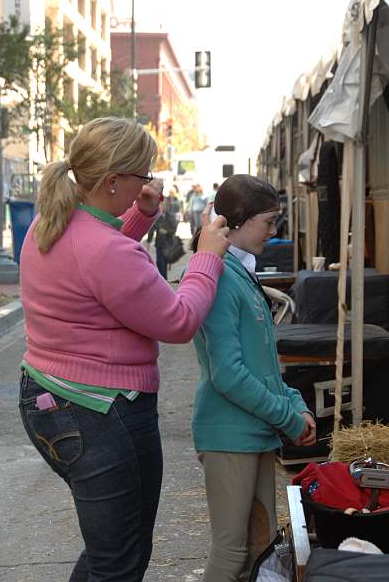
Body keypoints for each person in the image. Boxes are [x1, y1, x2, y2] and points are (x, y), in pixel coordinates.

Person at [18, 116, 230, 582]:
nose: (148, 182)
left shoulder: (50, 224)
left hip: (50, 397)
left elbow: (94, 265)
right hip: (99, 411)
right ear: (113, 181)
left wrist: (141, 214)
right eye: (143, 175)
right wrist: (207, 257)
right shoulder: (105, 250)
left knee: (108, 554)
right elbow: (177, 320)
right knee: (121, 560)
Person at [190, 174, 316, 582]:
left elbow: (262, 364)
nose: (275, 231)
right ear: (240, 221)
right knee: (232, 554)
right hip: (231, 434)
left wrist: (293, 403)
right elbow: (229, 374)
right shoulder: (222, 276)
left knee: (259, 550)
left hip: (253, 432)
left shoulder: (238, 272)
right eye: (269, 220)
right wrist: (287, 415)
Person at [147, 199, 178, 279]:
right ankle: (162, 280)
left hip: (167, 244)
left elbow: (174, 229)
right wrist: (148, 241)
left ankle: (163, 280)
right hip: (159, 244)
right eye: (161, 205)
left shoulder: (171, 217)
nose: (162, 206)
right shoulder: (157, 217)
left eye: (165, 205)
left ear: (168, 206)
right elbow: (152, 229)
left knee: (163, 263)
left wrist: (166, 231)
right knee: (158, 263)